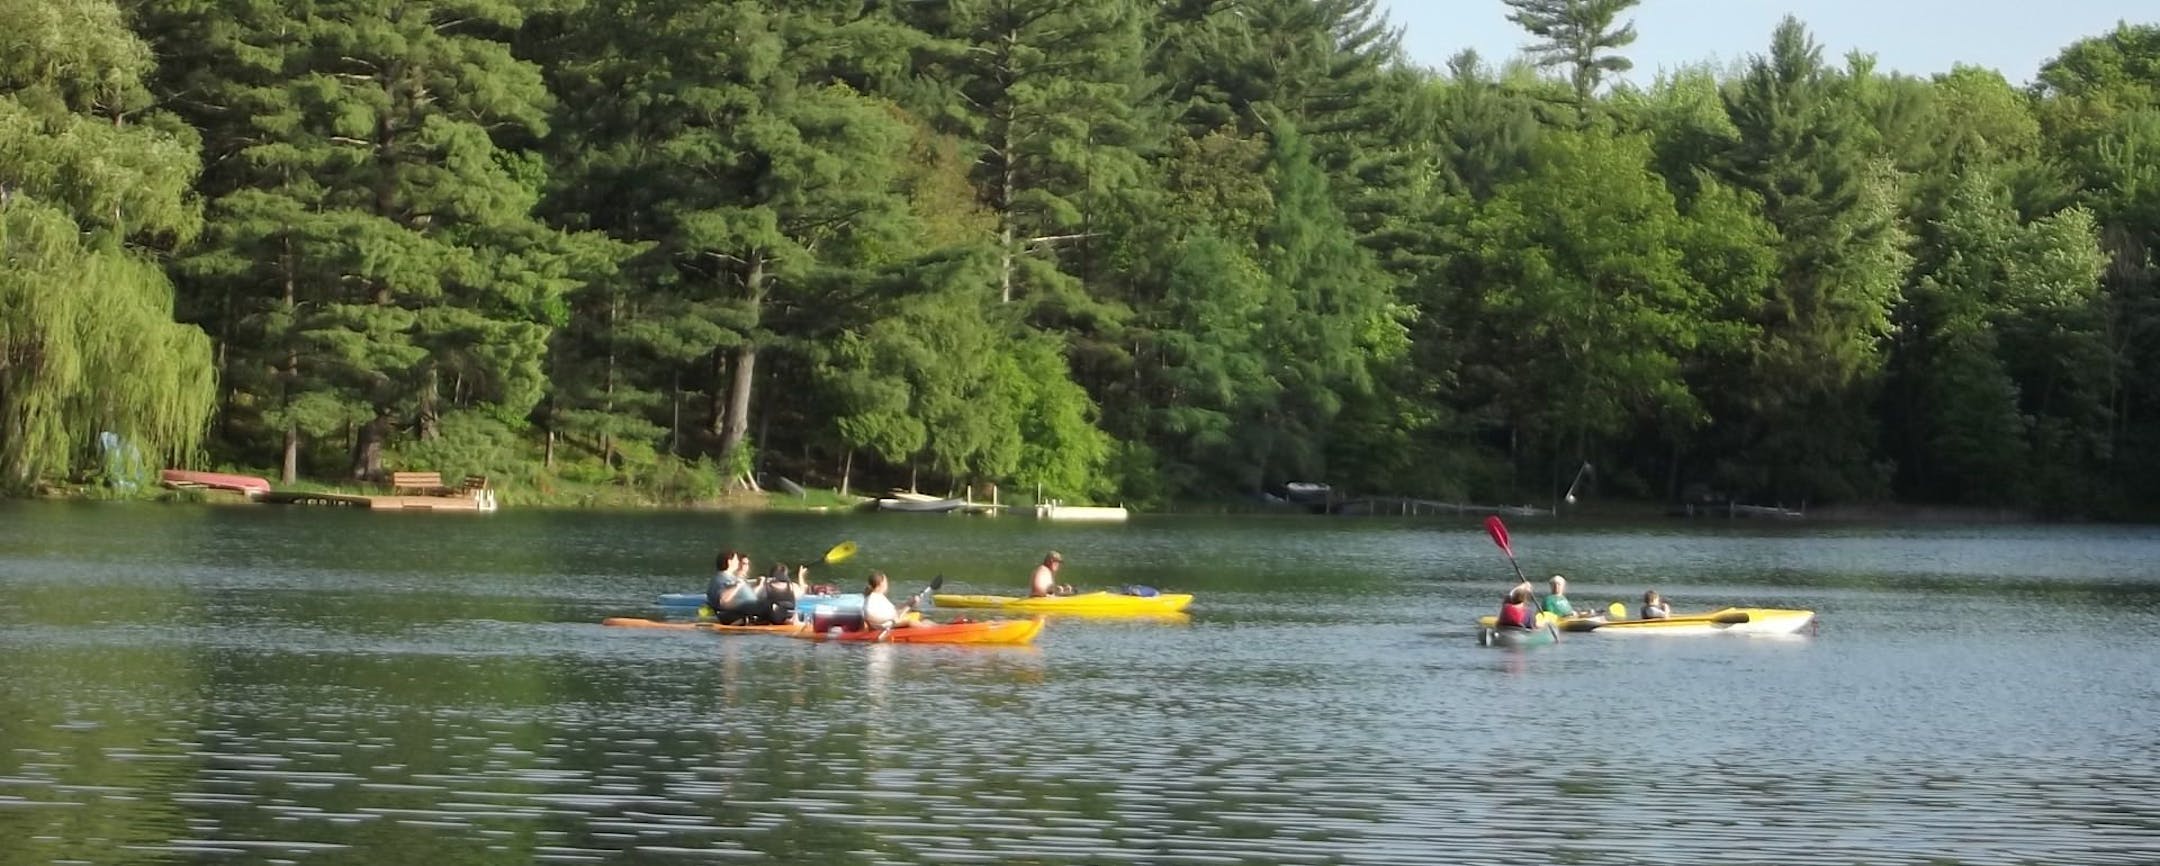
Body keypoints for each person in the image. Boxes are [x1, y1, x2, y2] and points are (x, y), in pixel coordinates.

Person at [706, 550, 758, 623]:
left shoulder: (730, 577)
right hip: (735, 612)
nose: (737, 562)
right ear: (729, 562)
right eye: (736, 560)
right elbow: (723, 600)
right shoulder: (721, 578)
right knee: (770, 607)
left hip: (749, 608)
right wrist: (737, 586)